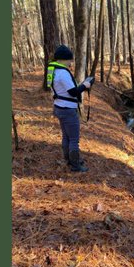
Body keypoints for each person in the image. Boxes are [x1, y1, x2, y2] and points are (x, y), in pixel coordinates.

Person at [46, 45, 93, 173]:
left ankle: (69, 160)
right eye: (69, 60)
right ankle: (76, 166)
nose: (71, 62)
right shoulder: (63, 73)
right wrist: (85, 85)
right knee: (73, 139)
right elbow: (73, 92)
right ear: (62, 59)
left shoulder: (53, 70)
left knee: (66, 136)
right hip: (67, 110)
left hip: (59, 107)